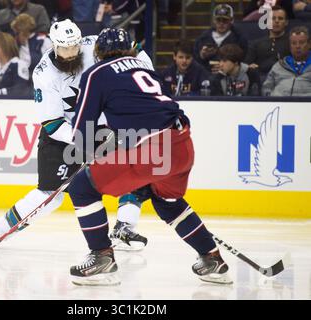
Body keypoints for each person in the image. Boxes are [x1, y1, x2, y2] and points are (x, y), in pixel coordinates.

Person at [67, 28, 232, 286]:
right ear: (131, 48)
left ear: (98, 52)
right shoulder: (145, 68)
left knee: (81, 188)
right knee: (166, 200)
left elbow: (81, 129)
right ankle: (212, 258)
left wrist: (86, 154)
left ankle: (102, 257)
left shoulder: (96, 73)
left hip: (153, 149)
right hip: (182, 143)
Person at [0, 20, 148, 251]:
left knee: (134, 171)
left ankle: (125, 226)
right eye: (64, 49)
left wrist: (144, 77)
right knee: (49, 194)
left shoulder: (94, 45)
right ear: (54, 46)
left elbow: (134, 50)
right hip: (64, 134)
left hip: (102, 127)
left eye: (73, 48)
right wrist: (87, 142)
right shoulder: (44, 73)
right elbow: (52, 124)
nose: (70, 54)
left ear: (80, 42)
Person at [194, 4, 248, 73]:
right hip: (206, 76)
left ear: (231, 20)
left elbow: (244, 61)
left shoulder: (239, 39)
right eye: (218, 20)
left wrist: (227, 68)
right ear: (214, 20)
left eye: (225, 20)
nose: (221, 23)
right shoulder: (202, 38)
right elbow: (195, 62)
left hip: (231, 77)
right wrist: (201, 56)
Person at [244, 5, 290, 81]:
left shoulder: (292, 43)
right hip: (260, 78)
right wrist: (249, 67)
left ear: (286, 22)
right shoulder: (255, 44)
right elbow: (246, 64)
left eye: (280, 18)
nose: (277, 21)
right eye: (273, 18)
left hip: (285, 79)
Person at [262, 25, 311, 96]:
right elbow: (266, 88)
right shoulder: (279, 66)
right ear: (290, 46)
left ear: (309, 44)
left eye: (301, 42)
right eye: (294, 43)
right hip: (278, 105)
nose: (297, 46)